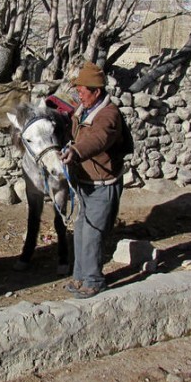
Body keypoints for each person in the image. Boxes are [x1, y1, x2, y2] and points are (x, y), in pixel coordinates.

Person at [60, 61, 126, 299]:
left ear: (96, 92)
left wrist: (76, 153)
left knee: (93, 234)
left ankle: (94, 280)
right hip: (85, 185)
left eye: (82, 91)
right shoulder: (83, 110)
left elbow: (98, 138)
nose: (79, 94)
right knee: (80, 231)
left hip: (103, 186)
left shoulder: (109, 115)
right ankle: (80, 277)